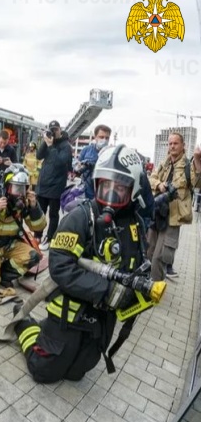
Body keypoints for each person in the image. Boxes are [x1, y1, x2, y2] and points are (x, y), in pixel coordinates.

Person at [14, 144, 150, 383]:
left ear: (135, 188)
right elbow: (60, 265)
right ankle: (24, 323)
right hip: (70, 314)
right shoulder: (81, 217)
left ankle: (51, 336)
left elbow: (136, 265)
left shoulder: (135, 225)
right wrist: (107, 291)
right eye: (105, 185)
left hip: (102, 321)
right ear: (96, 183)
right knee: (43, 371)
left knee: (78, 373)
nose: (110, 194)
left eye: (119, 188)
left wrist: (141, 291)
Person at [0, 164, 46, 299]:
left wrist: (34, 207)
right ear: (7, 187)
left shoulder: (25, 204)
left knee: (33, 256)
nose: (20, 194)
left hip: (11, 244)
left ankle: (4, 274)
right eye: (16, 188)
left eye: (23, 188)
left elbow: (38, 227)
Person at [147, 133, 201, 279]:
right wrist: (159, 184)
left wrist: (197, 160)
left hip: (173, 216)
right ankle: (145, 281)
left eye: (175, 143)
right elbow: (151, 178)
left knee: (160, 256)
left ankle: (156, 285)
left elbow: (197, 184)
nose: (172, 146)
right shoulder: (163, 163)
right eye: (170, 143)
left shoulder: (189, 165)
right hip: (157, 211)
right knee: (149, 250)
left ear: (183, 145)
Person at [35, 120, 73, 249]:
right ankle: (37, 236)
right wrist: (45, 142)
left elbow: (60, 162)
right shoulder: (48, 142)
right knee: (40, 213)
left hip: (56, 186)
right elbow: (38, 156)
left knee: (53, 214)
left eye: (55, 130)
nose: (53, 132)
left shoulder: (66, 146)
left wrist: (51, 146)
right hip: (43, 185)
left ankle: (50, 238)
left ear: (60, 130)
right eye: (51, 130)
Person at [75, 125, 111, 200]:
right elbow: (77, 166)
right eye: (101, 137)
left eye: (107, 138)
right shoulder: (86, 150)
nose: (104, 140)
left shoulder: (111, 153)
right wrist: (79, 166)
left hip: (103, 192)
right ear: (95, 137)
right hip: (86, 191)